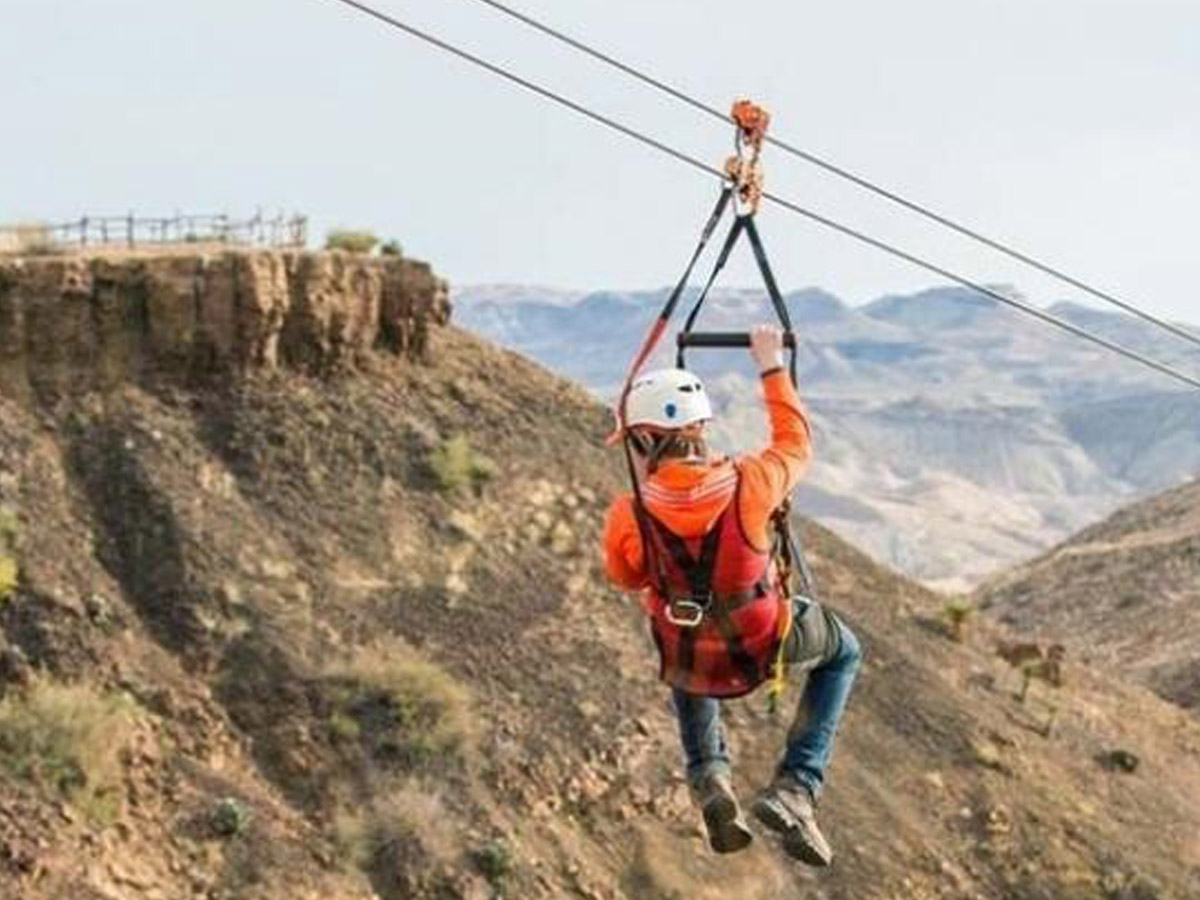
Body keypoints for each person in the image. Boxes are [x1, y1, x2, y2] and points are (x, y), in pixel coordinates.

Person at [603, 325, 862, 865]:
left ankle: (710, 780)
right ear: (699, 428)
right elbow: (795, 440)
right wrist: (771, 365)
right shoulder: (754, 481)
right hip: (765, 639)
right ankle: (796, 786)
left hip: (693, 651)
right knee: (844, 653)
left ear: (646, 439)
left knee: (685, 647)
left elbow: (626, 577)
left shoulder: (629, 513)